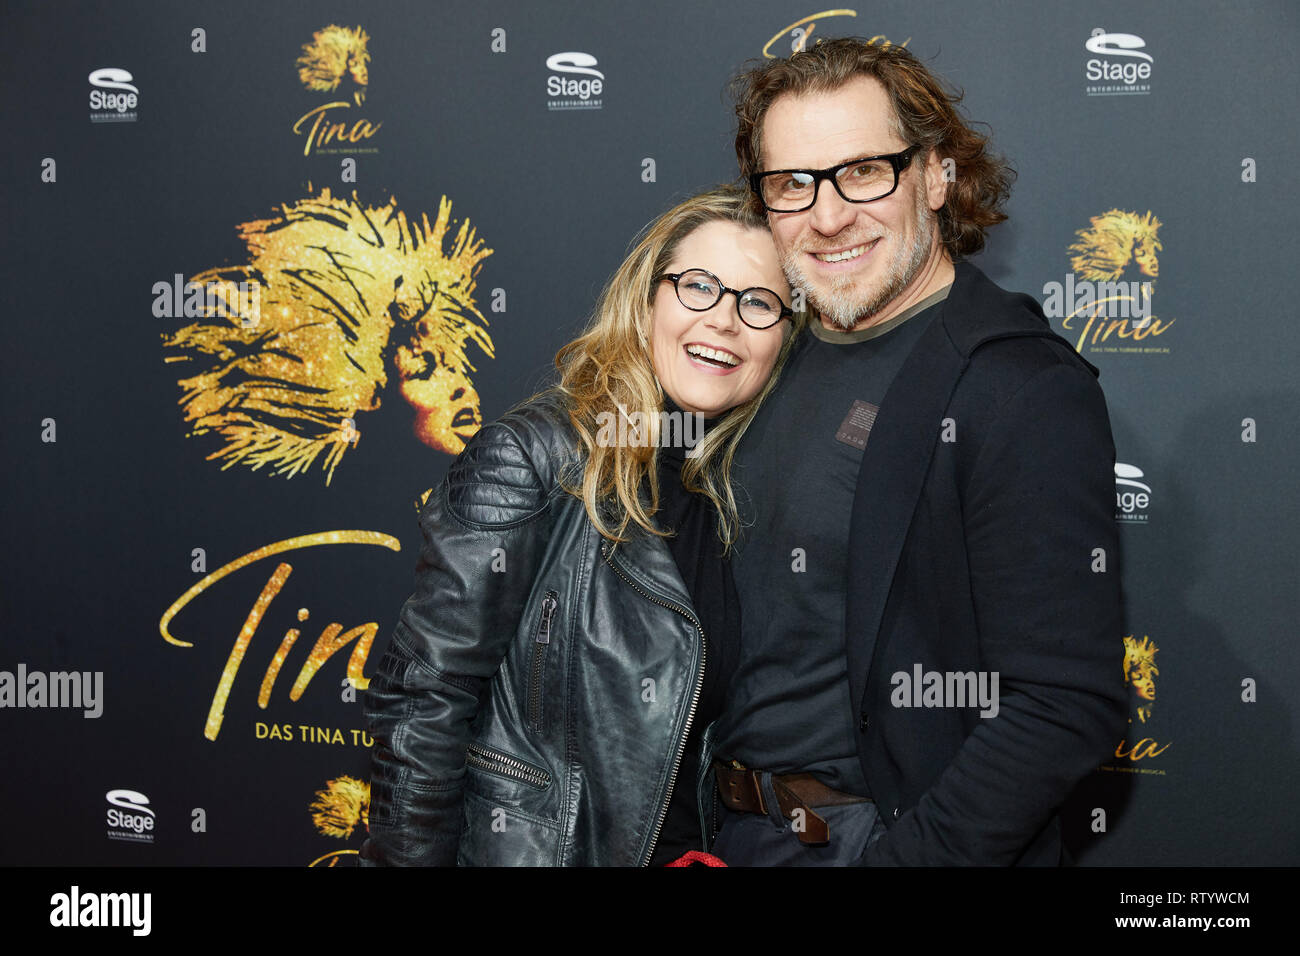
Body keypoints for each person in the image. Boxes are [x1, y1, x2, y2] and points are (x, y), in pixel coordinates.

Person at [706, 38, 1126, 865]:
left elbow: (1062, 703)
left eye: (864, 171)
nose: (828, 216)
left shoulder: (1018, 387)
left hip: (870, 841)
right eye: (792, 184)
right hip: (724, 831)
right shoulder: (757, 349)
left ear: (937, 175)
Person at [359, 184, 802, 866]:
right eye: (700, 287)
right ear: (647, 299)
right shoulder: (538, 457)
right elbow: (424, 698)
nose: (725, 320)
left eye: (759, 302)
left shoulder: (738, 492)